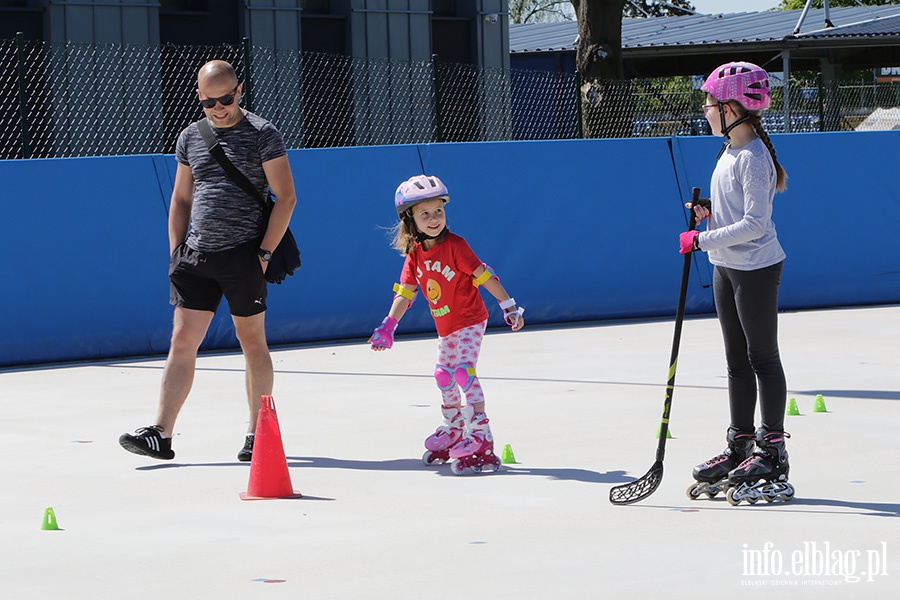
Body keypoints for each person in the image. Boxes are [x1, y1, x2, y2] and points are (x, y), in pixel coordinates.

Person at [119, 60, 297, 461]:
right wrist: (176, 253)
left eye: (227, 99)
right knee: (182, 341)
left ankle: (259, 433)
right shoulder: (190, 137)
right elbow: (181, 198)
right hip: (196, 257)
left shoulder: (262, 133)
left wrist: (264, 254)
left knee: (251, 342)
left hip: (243, 255)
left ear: (239, 91)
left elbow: (286, 197)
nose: (219, 108)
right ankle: (160, 433)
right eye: (210, 101)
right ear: (199, 97)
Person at [681, 62, 794, 504]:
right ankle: (740, 443)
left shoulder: (754, 157)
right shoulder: (729, 150)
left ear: (732, 107)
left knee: (762, 357)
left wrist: (701, 238)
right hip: (725, 266)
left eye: (709, 104)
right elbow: (735, 211)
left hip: (756, 269)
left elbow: (755, 223)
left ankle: (772, 450)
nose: (705, 111)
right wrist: (709, 211)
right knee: (735, 361)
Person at [369, 175, 524, 475]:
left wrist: (508, 306)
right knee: (443, 375)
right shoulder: (414, 254)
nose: (433, 218)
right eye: (424, 213)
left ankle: (480, 431)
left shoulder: (456, 246)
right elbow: (406, 292)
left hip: (469, 319)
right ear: (410, 219)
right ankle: (453, 426)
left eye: (438, 211)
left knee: (463, 372)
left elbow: (483, 276)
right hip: (446, 326)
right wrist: (389, 325)